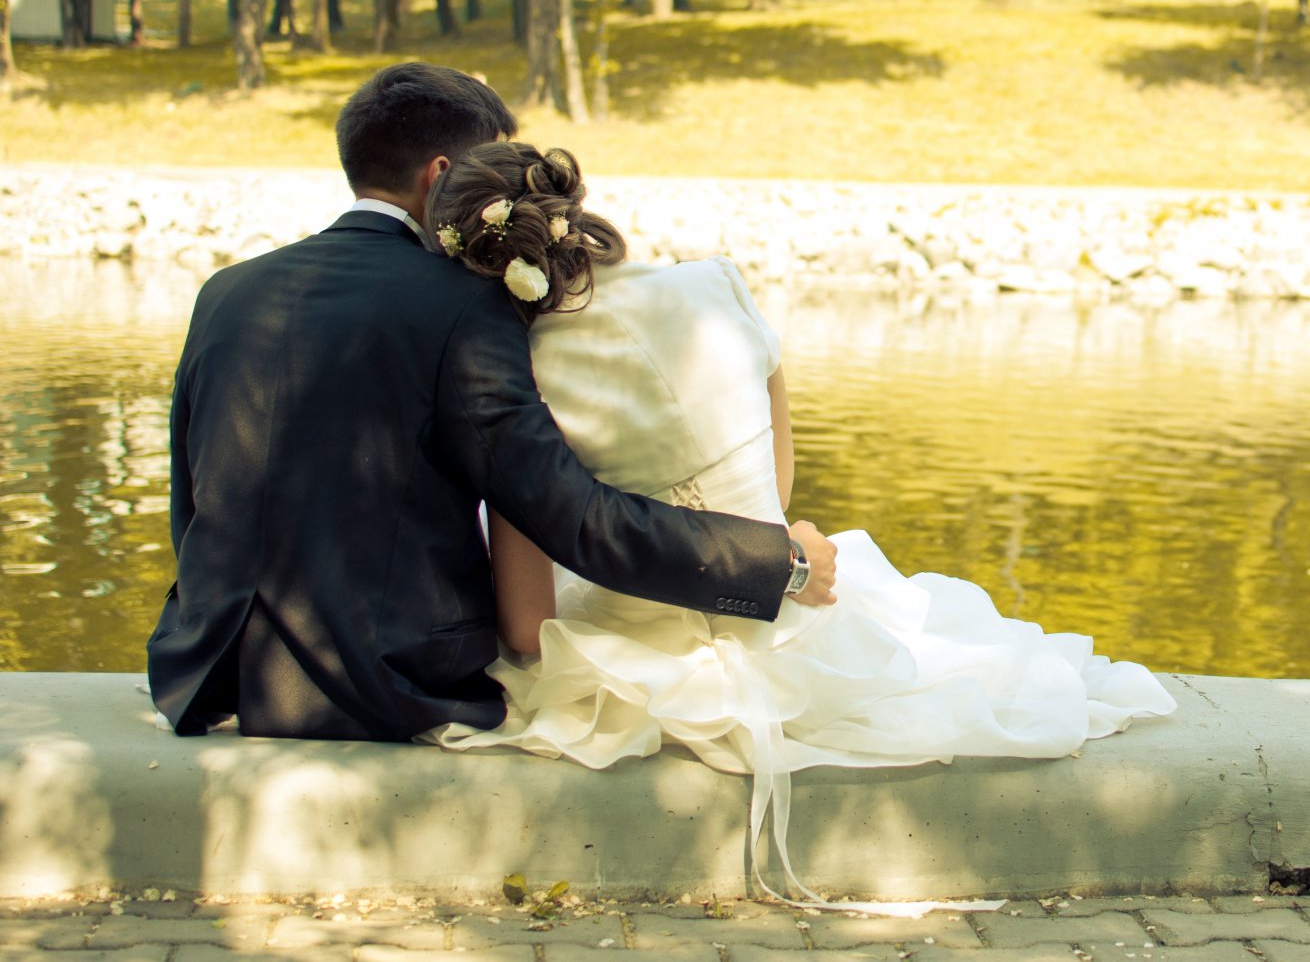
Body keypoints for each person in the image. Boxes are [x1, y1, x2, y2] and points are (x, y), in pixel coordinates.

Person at [420, 140, 1176, 902]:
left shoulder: (520, 379)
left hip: (645, 646)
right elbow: (774, 489)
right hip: (795, 603)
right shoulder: (713, 284)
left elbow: (526, 627)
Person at [148, 63, 838, 742]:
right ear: (441, 173)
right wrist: (778, 564)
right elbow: (573, 517)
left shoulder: (226, 292)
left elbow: (193, 497)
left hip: (218, 670)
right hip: (388, 683)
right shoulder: (462, 306)